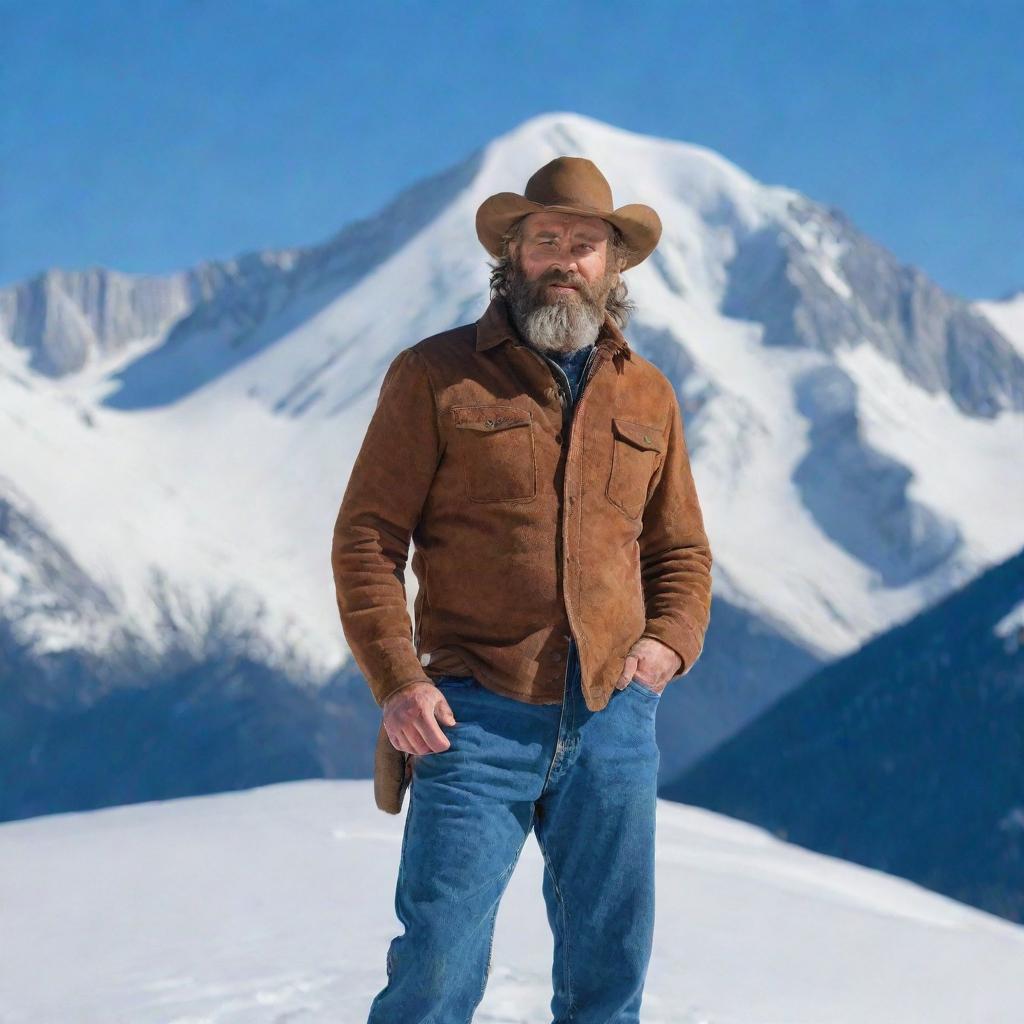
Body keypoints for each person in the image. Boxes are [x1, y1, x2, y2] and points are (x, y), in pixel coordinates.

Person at [332, 155, 713, 1023]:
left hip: (615, 718)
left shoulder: (649, 394)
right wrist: (398, 681)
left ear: (613, 265)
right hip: (470, 720)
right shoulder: (434, 376)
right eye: (547, 239)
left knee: (608, 976)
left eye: (586, 244)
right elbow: (366, 538)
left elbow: (681, 549)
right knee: (434, 967)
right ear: (512, 253)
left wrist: (667, 646)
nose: (565, 259)